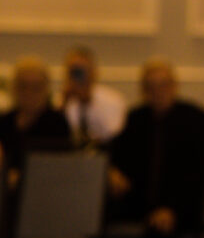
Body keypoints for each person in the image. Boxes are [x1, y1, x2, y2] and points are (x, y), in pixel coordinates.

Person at [105, 58, 204, 238]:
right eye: (151, 87)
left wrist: (173, 208)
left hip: (181, 206)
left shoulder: (194, 121)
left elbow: (199, 176)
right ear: (144, 91)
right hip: (142, 202)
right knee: (104, 216)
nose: (158, 93)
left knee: (159, 229)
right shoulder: (136, 119)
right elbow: (114, 154)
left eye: (163, 85)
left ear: (174, 87)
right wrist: (112, 172)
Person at [0, 57, 71, 188]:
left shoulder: (57, 123)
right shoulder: (4, 122)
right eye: (23, 86)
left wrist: (21, 177)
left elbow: (60, 167)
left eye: (36, 87)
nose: (29, 93)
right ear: (14, 87)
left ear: (46, 89)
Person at [59, 46, 127, 147]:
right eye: (73, 71)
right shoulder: (61, 103)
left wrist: (89, 101)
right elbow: (58, 138)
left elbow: (114, 136)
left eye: (81, 71)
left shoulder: (113, 100)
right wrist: (64, 106)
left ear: (94, 72)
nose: (78, 76)